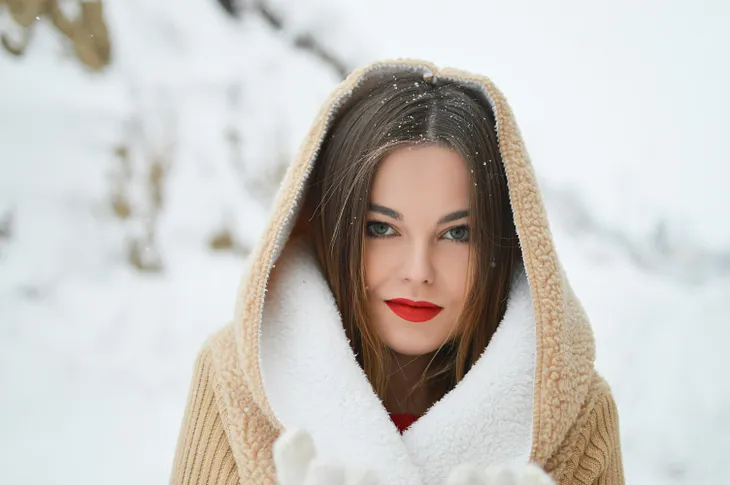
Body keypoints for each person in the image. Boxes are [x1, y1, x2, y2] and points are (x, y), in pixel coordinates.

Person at [169, 60, 624, 485]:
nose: (418, 271)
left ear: (504, 244)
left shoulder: (577, 416)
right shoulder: (238, 382)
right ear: (334, 228)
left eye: (457, 234)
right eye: (382, 228)